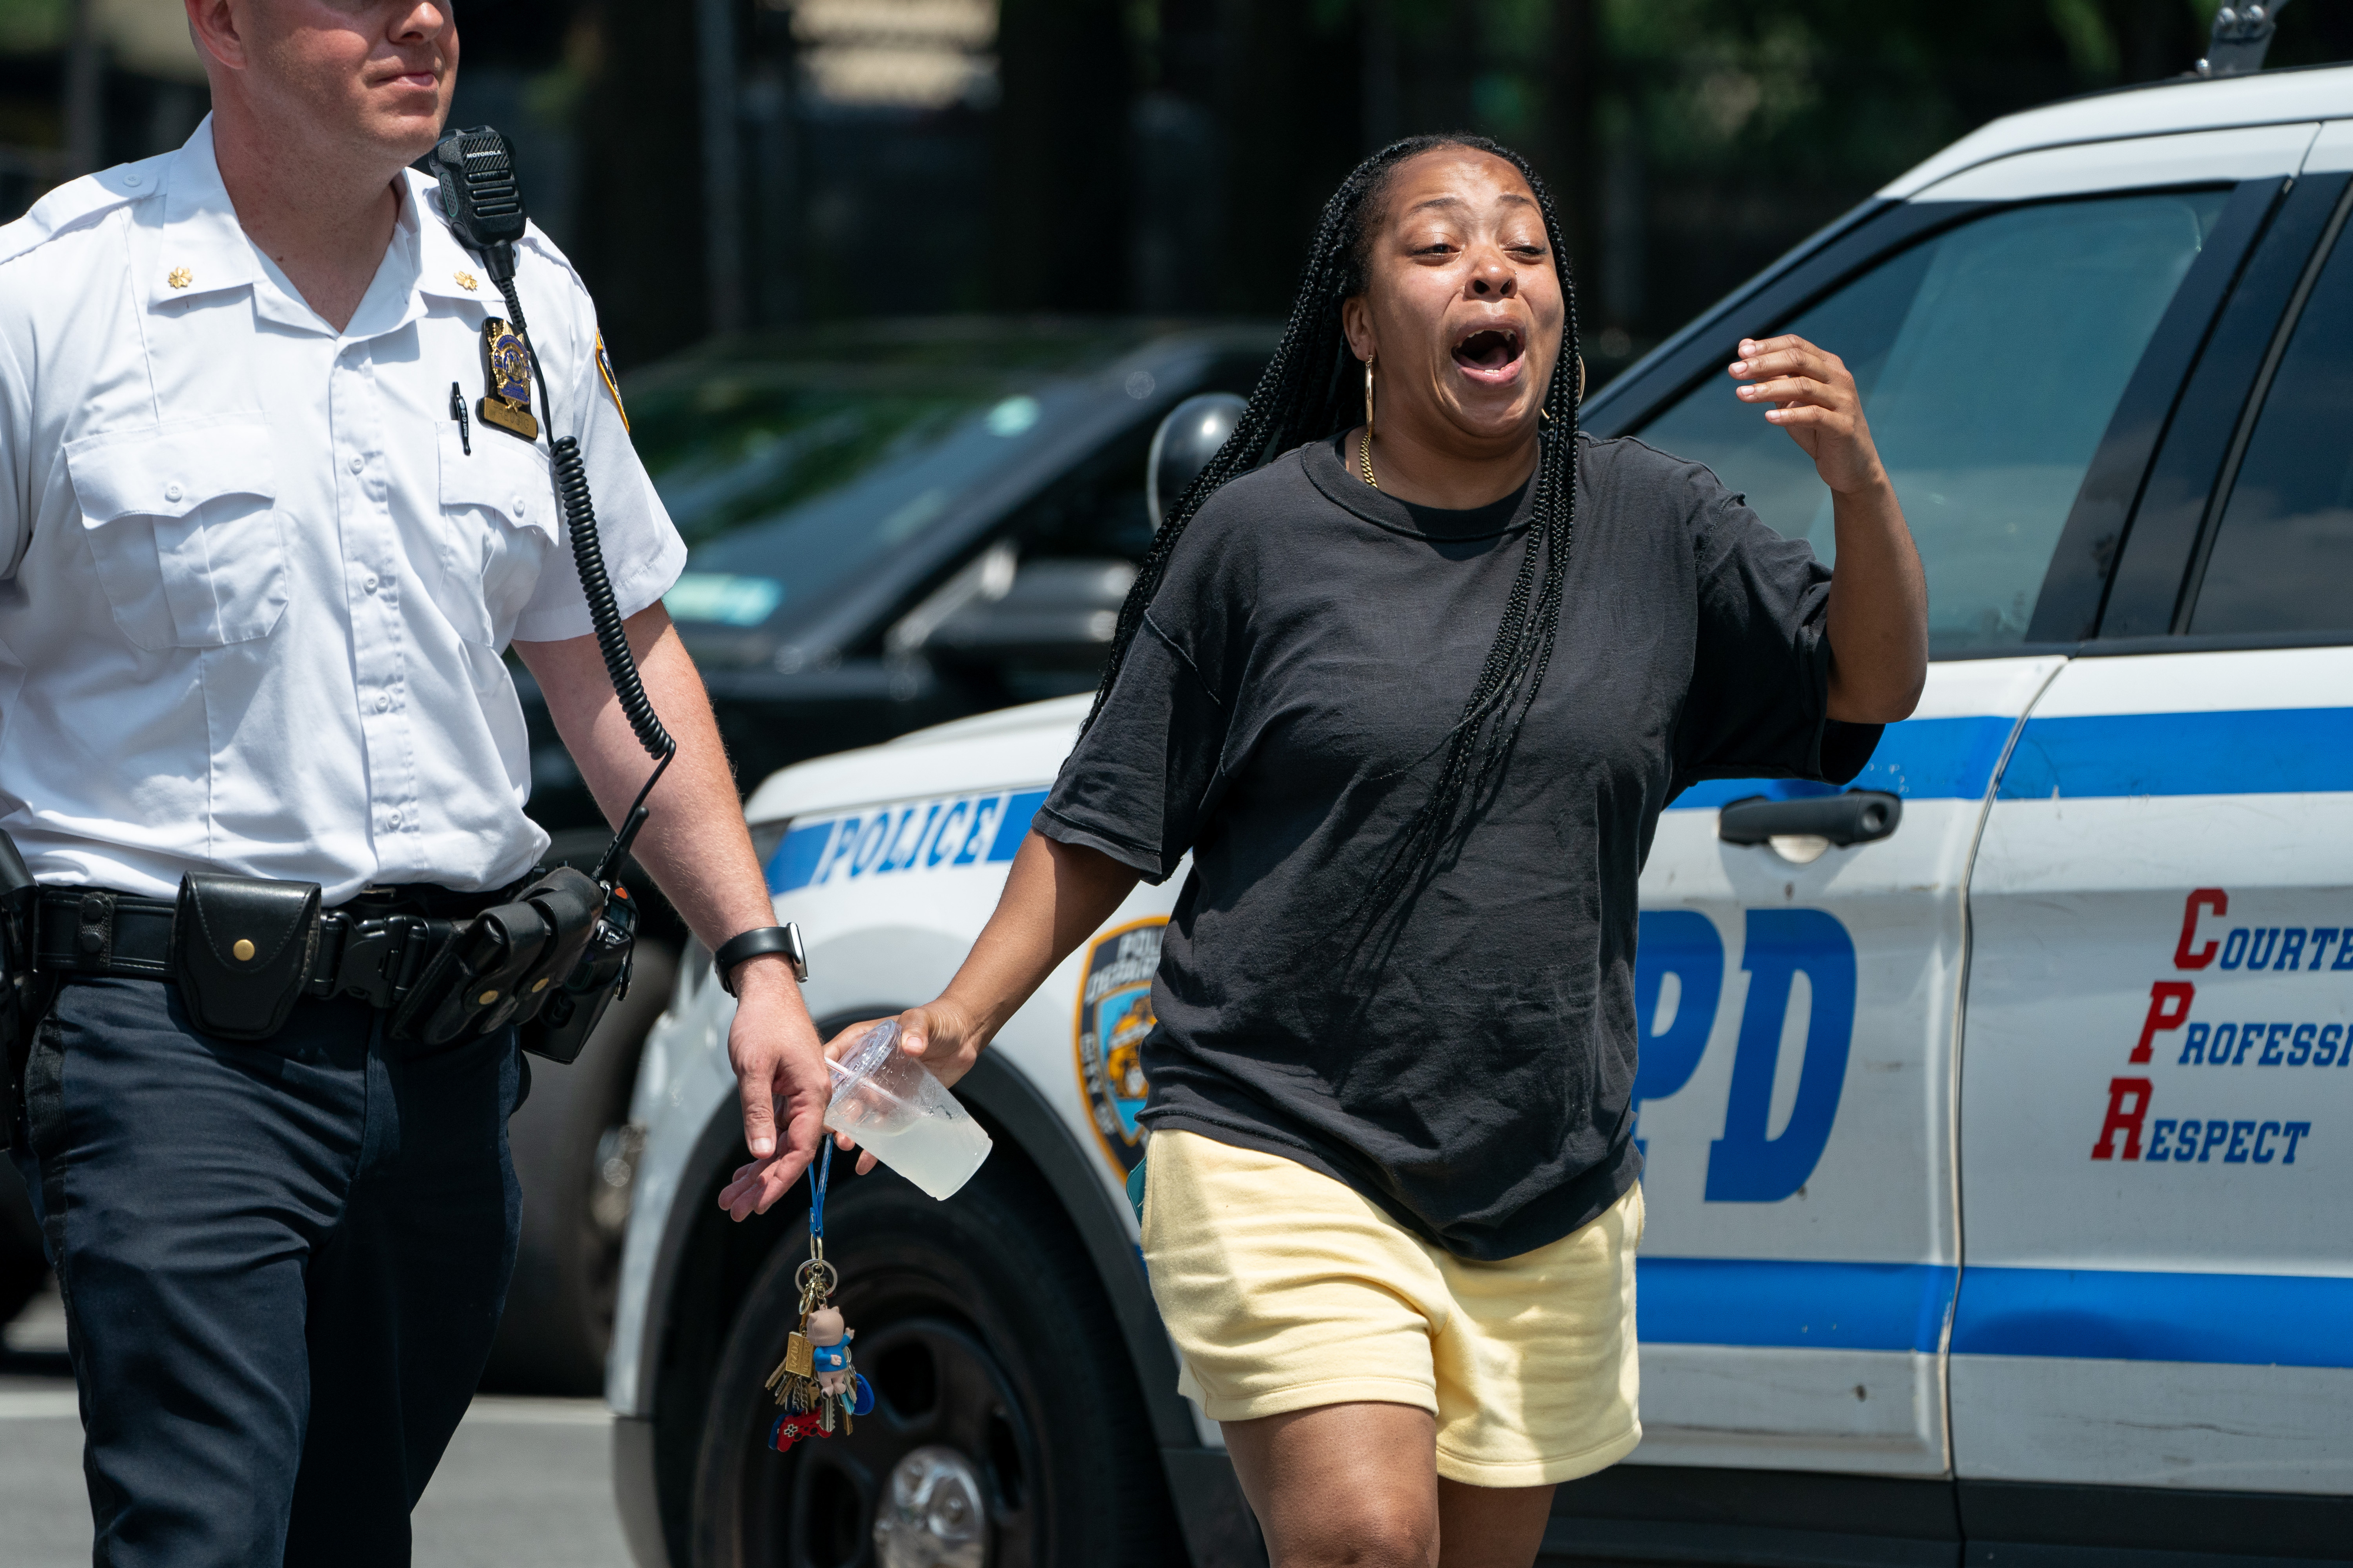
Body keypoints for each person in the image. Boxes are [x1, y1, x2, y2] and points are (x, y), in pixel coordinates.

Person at [726, 131, 1927, 1564]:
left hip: (1544, 1169)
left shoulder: (1656, 525)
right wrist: (956, 1018)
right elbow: (1103, 817)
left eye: (1523, 248)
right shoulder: (1257, 540)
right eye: (1435, 248)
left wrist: (1856, 486)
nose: (1490, 266)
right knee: (1364, 1541)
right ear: (1358, 324)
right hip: (1275, 1129)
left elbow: (1865, 687)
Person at [0, 4, 830, 1563]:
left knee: (348, 1535)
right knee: (205, 1534)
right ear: (222, 24)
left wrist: (755, 956)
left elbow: (617, 660)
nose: (425, 19)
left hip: (450, 1060)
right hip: (170, 1050)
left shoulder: (512, 285)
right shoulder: (54, 297)